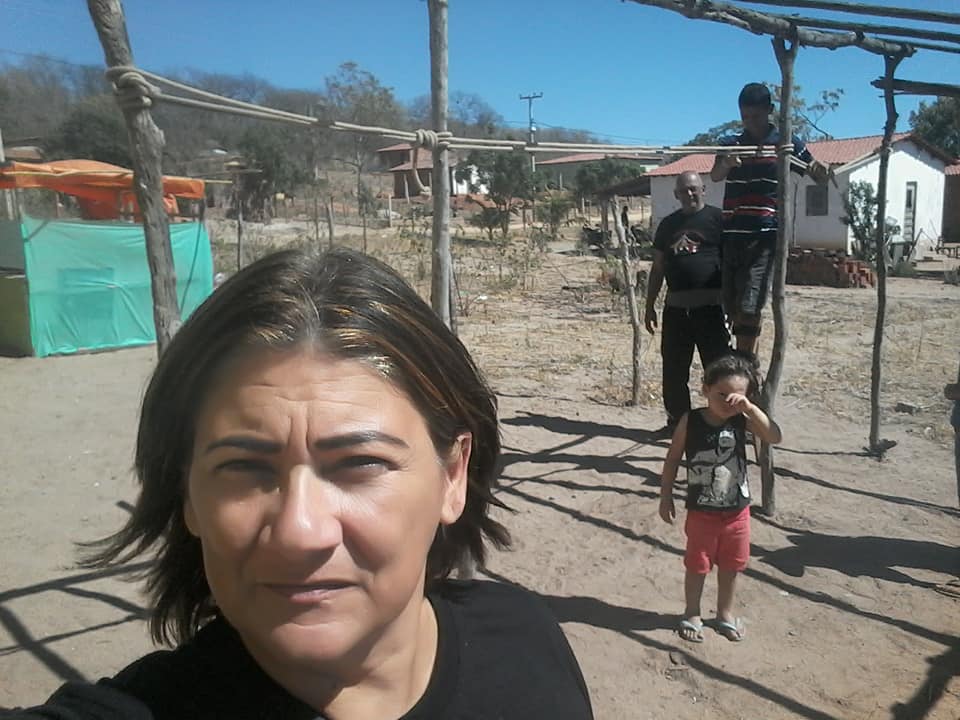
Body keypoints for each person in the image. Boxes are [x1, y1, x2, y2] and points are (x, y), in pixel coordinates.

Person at [4, 248, 593, 720]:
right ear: (188, 494)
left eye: (360, 463)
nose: (299, 531)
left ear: (453, 476)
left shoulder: (525, 641)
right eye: (244, 467)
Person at [658, 353, 782, 643]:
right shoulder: (691, 421)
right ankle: (692, 613)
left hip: (737, 513)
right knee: (697, 565)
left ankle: (725, 614)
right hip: (701, 512)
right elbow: (673, 458)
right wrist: (666, 496)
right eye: (721, 394)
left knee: (732, 565)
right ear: (705, 389)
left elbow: (774, 436)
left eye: (736, 396)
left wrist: (750, 409)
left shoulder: (742, 421)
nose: (728, 402)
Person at [710, 82, 829, 355]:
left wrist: (821, 169)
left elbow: (815, 172)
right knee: (731, 304)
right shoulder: (731, 144)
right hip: (731, 235)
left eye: (756, 116)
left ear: (770, 110)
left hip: (763, 237)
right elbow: (715, 175)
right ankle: (742, 360)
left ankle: (744, 361)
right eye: (745, 117)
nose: (750, 122)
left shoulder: (787, 144)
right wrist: (727, 162)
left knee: (751, 305)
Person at [645, 171, 730, 431]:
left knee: (719, 370)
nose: (690, 194)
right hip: (676, 310)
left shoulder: (718, 220)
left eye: (694, 189)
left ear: (703, 190)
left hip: (711, 310)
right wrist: (649, 305)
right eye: (684, 190)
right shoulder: (668, 225)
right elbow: (658, 268)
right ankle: (678, 425)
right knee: (673, 370)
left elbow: (732, 263)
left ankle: (724, 423)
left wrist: (734, 303)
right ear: (676, 194)